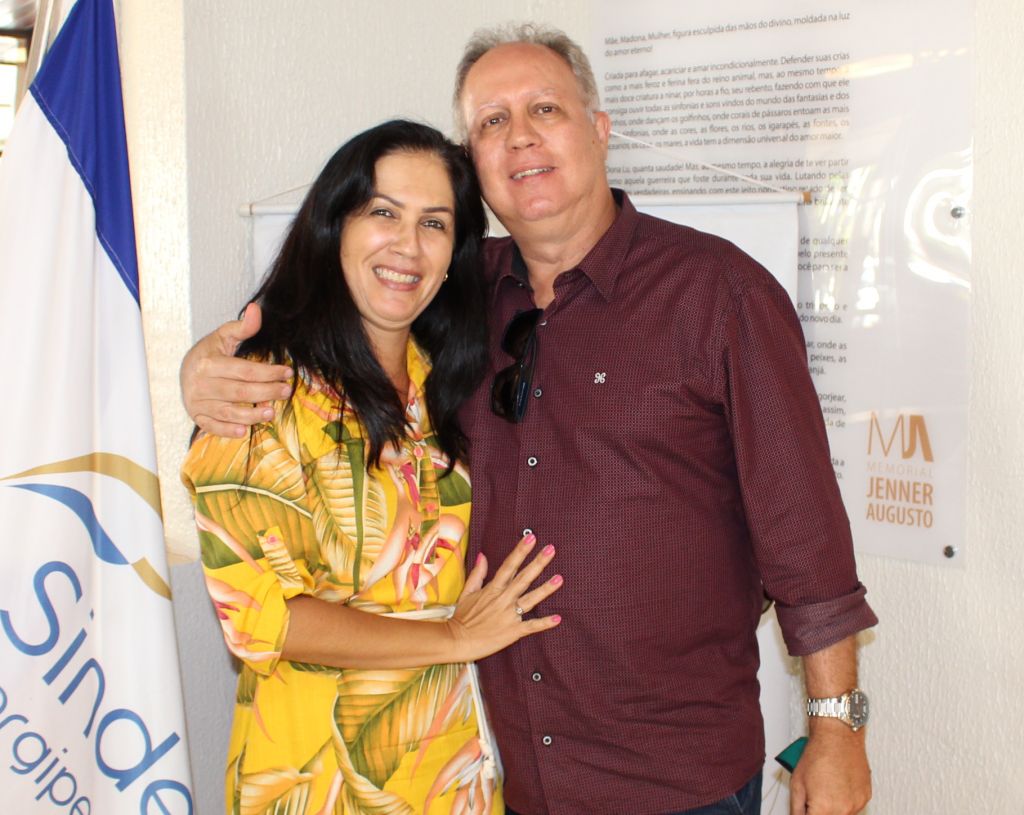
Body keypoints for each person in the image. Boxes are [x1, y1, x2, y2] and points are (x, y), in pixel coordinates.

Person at [181, 25, 878, 815]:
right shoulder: (452, 300)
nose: (519, 137)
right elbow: (326, 312)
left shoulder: (720, 294)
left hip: (672, 781)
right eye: (492, 121)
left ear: (599, 129)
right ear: (476, 163)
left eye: (544, 109)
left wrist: (836, 729)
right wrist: (199, 371)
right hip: (495, 778)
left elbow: (806, 540)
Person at [180, 119, 564, 815]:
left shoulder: (445, 383)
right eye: (383, 213)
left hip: (454, 772)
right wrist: (454, 637)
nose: (407, 246)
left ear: (454, 255)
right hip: (319, 781)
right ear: (334, 229)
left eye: (434, 223)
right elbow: (262, 619)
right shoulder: (262, 391)